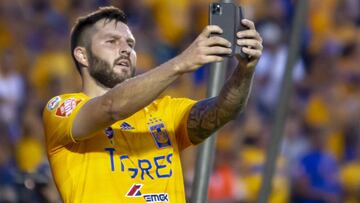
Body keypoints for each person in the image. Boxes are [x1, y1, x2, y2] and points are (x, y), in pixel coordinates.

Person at [42, 6, 263, 203]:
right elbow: (110, 107)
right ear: (82, 55)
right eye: (112, 41)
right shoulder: (62, 108)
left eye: (130, 43)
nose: (126, 49)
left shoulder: (164, 110)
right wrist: (181, 62)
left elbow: (224, 110)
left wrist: (245, 70)